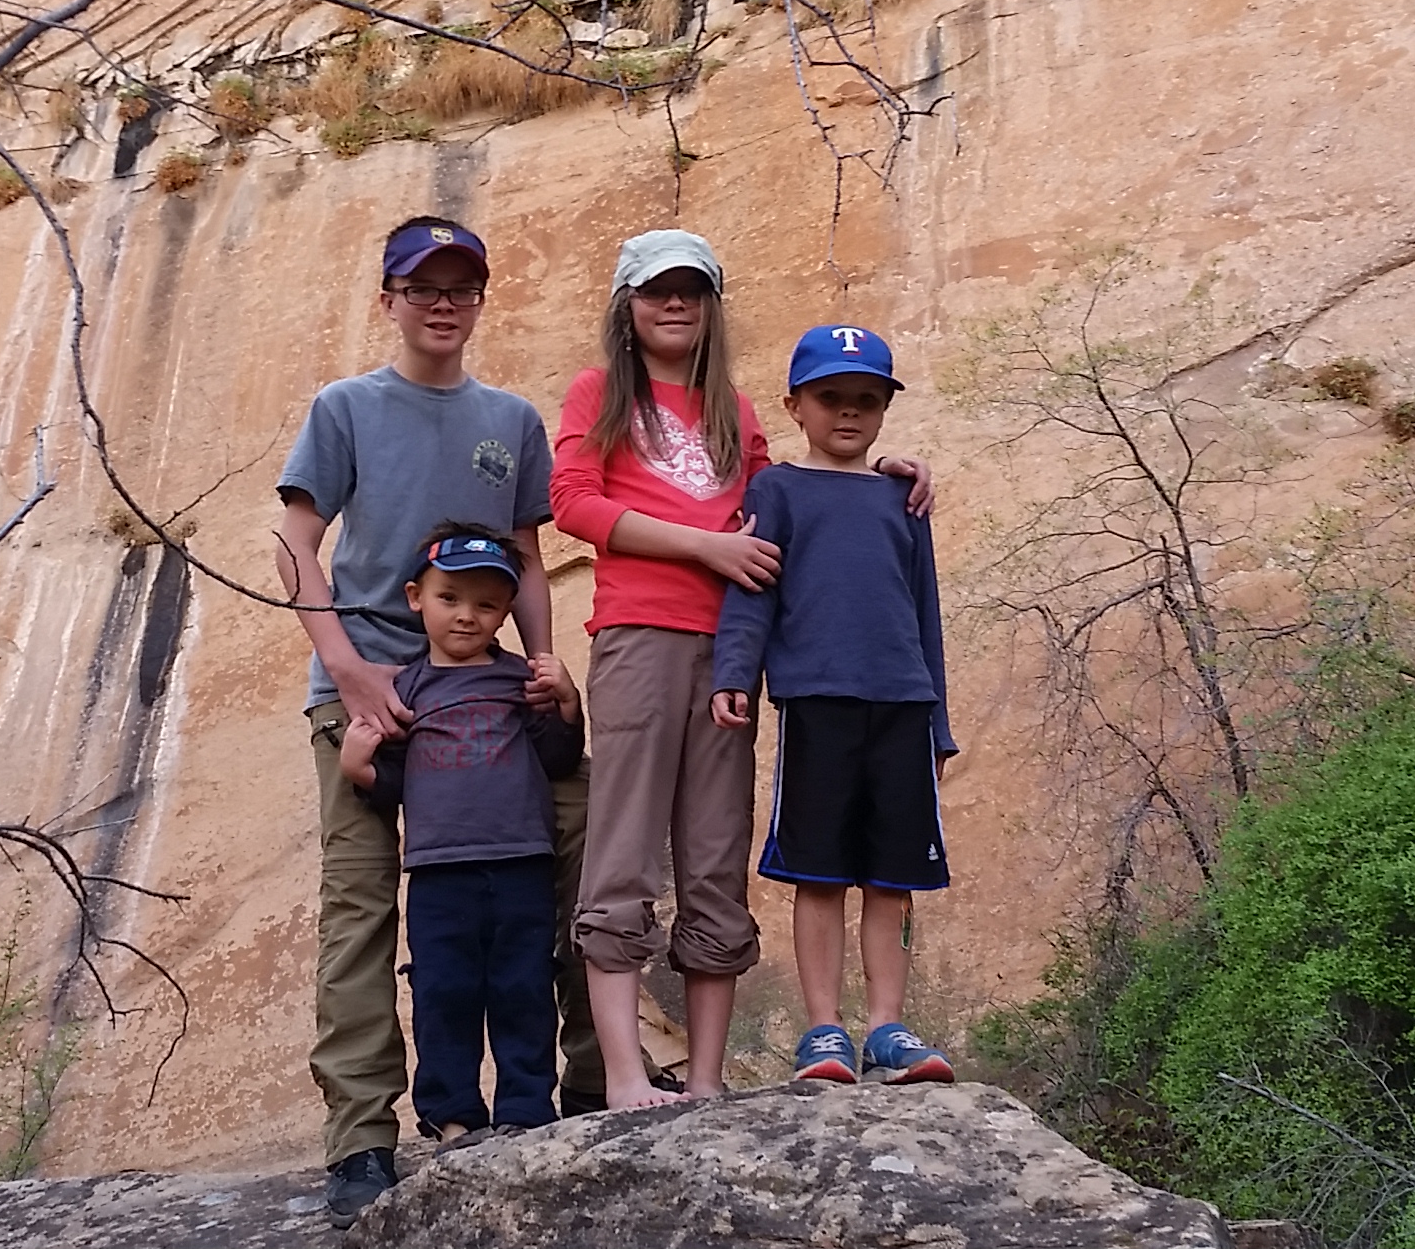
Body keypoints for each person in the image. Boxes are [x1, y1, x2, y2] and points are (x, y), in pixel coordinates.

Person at [273, 216, 599, 1224]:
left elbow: (526, 555)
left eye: (461, 288)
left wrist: (544, 665)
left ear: (480, 300)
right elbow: (296, 535)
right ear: (391, 298)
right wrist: (347, 668)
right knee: (363, 912)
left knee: (577, 864)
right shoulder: (347, 407)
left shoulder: (510, 419)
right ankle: (362, 1140)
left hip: (491, 697)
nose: (444, 304)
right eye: (424, 288)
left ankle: (583, 1089)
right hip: (367, 696)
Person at [547, 230, 776, 1109]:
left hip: (729, 651)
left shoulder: (739, 412)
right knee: (626, 847)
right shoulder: (601, 394)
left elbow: (777, 509)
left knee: (717, 851)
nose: (673, 304)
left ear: (713, 304)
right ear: (627, 306)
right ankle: (627, 1077)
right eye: (655, 291)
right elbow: (573, 503)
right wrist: (704, 548)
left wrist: (883, 476)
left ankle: (709, 1079)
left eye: (691, 291)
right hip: (640, 634)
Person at [711, 324, 958, 1088]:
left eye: (866, 400)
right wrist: (734, 673)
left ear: (884, 408)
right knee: (818, 871)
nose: (848, 413)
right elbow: (753, 586)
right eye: (830, 398)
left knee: (894, 877)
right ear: (795, 405)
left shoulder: (902, 497)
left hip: (902, 702)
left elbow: (925, 611)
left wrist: (938, 722)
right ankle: (823, 1030)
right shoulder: (776, 490)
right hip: (817, 699)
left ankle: (887, 1026)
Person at [338, 527, 588, 1143]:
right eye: (450, 598)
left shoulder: (518, 680)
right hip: (439, 870)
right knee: (443, 991)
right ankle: (451, 1115)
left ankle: (527, 1107)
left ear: (507, 609)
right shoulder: (404, 689)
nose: (467, 616)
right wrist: (359, 769)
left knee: (523, 985)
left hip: (521, 861)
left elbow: (556, 758)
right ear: (417, 596)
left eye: (486, 603)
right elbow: (393, 782)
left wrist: (566, 704)